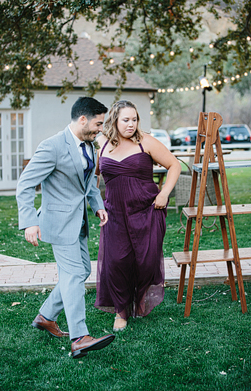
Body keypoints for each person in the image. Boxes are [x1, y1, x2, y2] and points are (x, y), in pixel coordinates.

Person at [16, 96, 116, 359]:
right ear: (82, 119)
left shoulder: (90, 146)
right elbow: (25, 185)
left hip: (79, 221)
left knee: (81, 270)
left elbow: (89, 184)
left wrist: (98, 205)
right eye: (97, 124)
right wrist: (30, 222)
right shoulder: (52, 146)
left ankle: (45, 316)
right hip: (58, 223)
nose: (100, 129)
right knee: (73, 275)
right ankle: (79, 337)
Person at [94, 100, 180, 331]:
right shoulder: (102, 144)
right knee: (117, 261)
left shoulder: (145, 142)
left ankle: (139, 298)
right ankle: (121, 311)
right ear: (114, 120)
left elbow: (174, 165)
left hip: (147, 211)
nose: (131, 124)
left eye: (134, 119)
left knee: (146, 261)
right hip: (114, 214)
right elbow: (95, 178)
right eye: (126, 120)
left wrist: (163, 194)